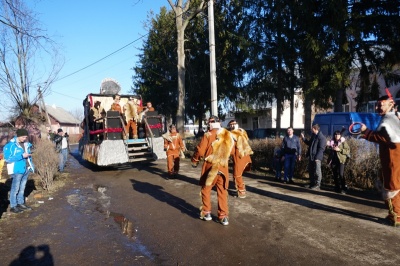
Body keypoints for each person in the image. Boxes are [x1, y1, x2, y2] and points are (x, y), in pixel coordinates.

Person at [359, 95, 400, 226]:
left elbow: (385, 138)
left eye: (381, 104)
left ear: (390, 104)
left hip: (393, 160)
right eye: (377, 104)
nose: (377, 107)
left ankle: (396, 217)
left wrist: (366, 132)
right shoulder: (392, 118)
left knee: (392, 187)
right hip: (393, 159)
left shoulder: (389, 120)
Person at [191, 116, 235, 226]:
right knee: (222, 191)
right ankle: (223, 216)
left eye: (209, 122)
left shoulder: (208, 134)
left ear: (213, 123)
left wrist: (195, 160)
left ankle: (206, 213)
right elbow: (232, 151)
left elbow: (200, 151)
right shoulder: (227, 134)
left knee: (206, 189)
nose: (208, 124)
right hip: (223, 168)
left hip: (211, 168)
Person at [4, 128, 34, 213]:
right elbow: (7, 159)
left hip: (26, 168)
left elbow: (28, 156)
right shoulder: (10, 145)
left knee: (22, 188)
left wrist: (31, 166)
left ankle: (20, 203)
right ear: (19, 135)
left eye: (26, 137)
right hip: (16, 169)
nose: (25, 138)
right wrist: (21, 156)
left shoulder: (26, 144)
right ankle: (13, 206)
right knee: (15, 188)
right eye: (23, 137)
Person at [227, 119, 253, 198]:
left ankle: (242, 192)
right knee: (237, 174)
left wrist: (226, 155)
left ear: (236, 124)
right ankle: (240, 190)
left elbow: (231, 148)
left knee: (237, 175)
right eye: (231, 124)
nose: (232, 125)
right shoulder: (242, 132)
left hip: (240, 156)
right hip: (242, 156)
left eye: (234, 124)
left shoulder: (235, 134)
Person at [301, 124, 326, 190]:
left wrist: (317, 158)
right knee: (311, 170)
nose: (311, 130)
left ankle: (318, 184)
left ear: (315, 129)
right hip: (311, 156)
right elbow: (309, 143)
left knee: (317, 171)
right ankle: (312, 183)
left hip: (317, 157)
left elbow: (321, 149)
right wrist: (303, 138)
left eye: (312, 129)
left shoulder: (321, 137)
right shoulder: (314, 136)